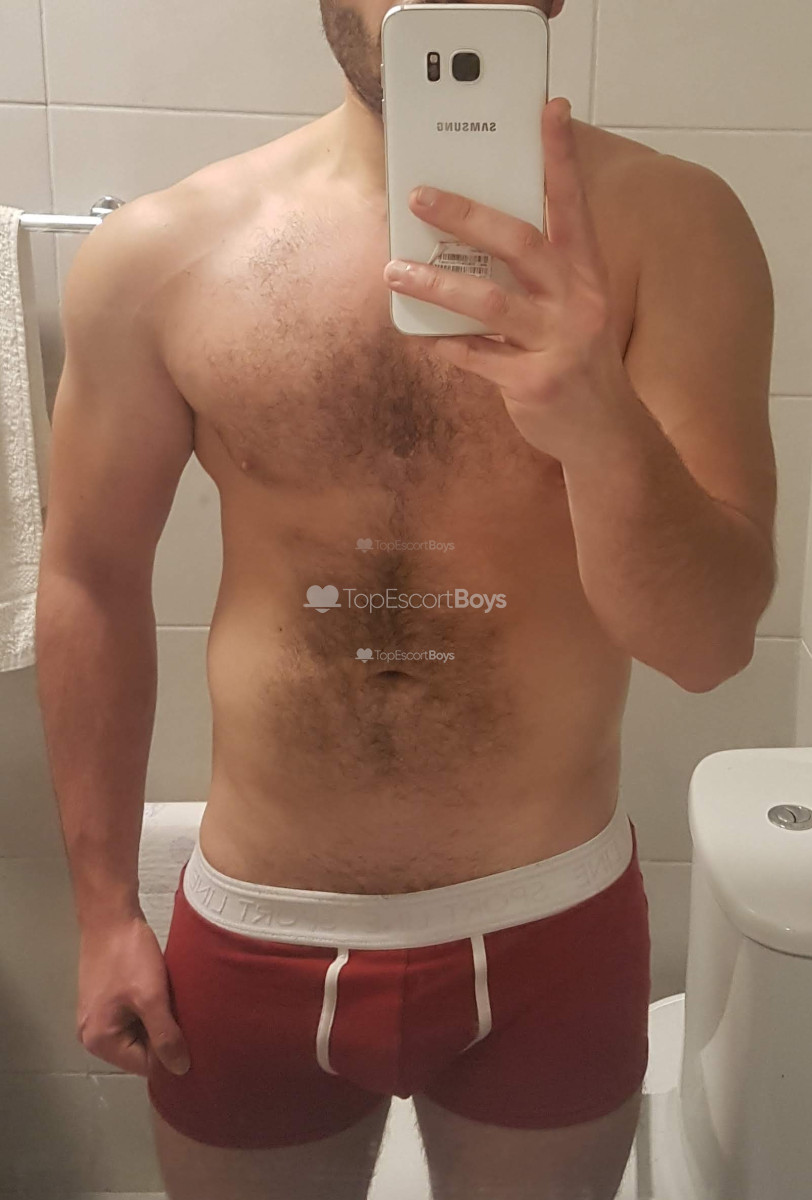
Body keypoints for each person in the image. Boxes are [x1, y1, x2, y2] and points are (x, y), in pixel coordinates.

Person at [35, 0, 776, 1197]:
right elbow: (90, 580)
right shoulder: (162, 251)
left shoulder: (673, 230)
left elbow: (706, 646)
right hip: (254, 928)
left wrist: (599, 426)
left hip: (550, 924)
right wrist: (105, 911)